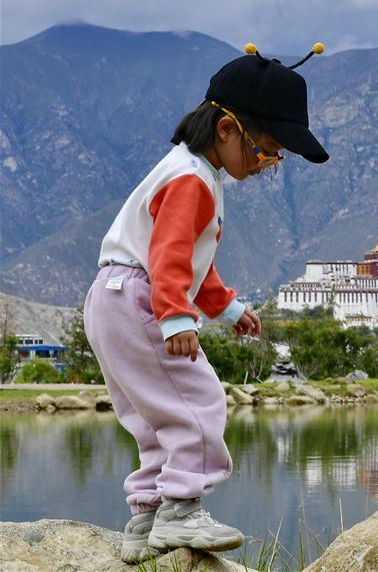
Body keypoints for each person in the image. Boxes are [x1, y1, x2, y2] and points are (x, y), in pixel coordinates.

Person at [83, 42, 328, 563]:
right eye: (266, 149)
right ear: (226, 130)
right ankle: (183, 510)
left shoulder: (188, 172)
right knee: (201, 402)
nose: (269, 163)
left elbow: (194, 263)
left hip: (110, 298)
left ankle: (146, 517)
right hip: (141, 297)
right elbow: (169, 256)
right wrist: (175, 316)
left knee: (155, 417)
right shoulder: (192, 180)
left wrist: (229, 309)